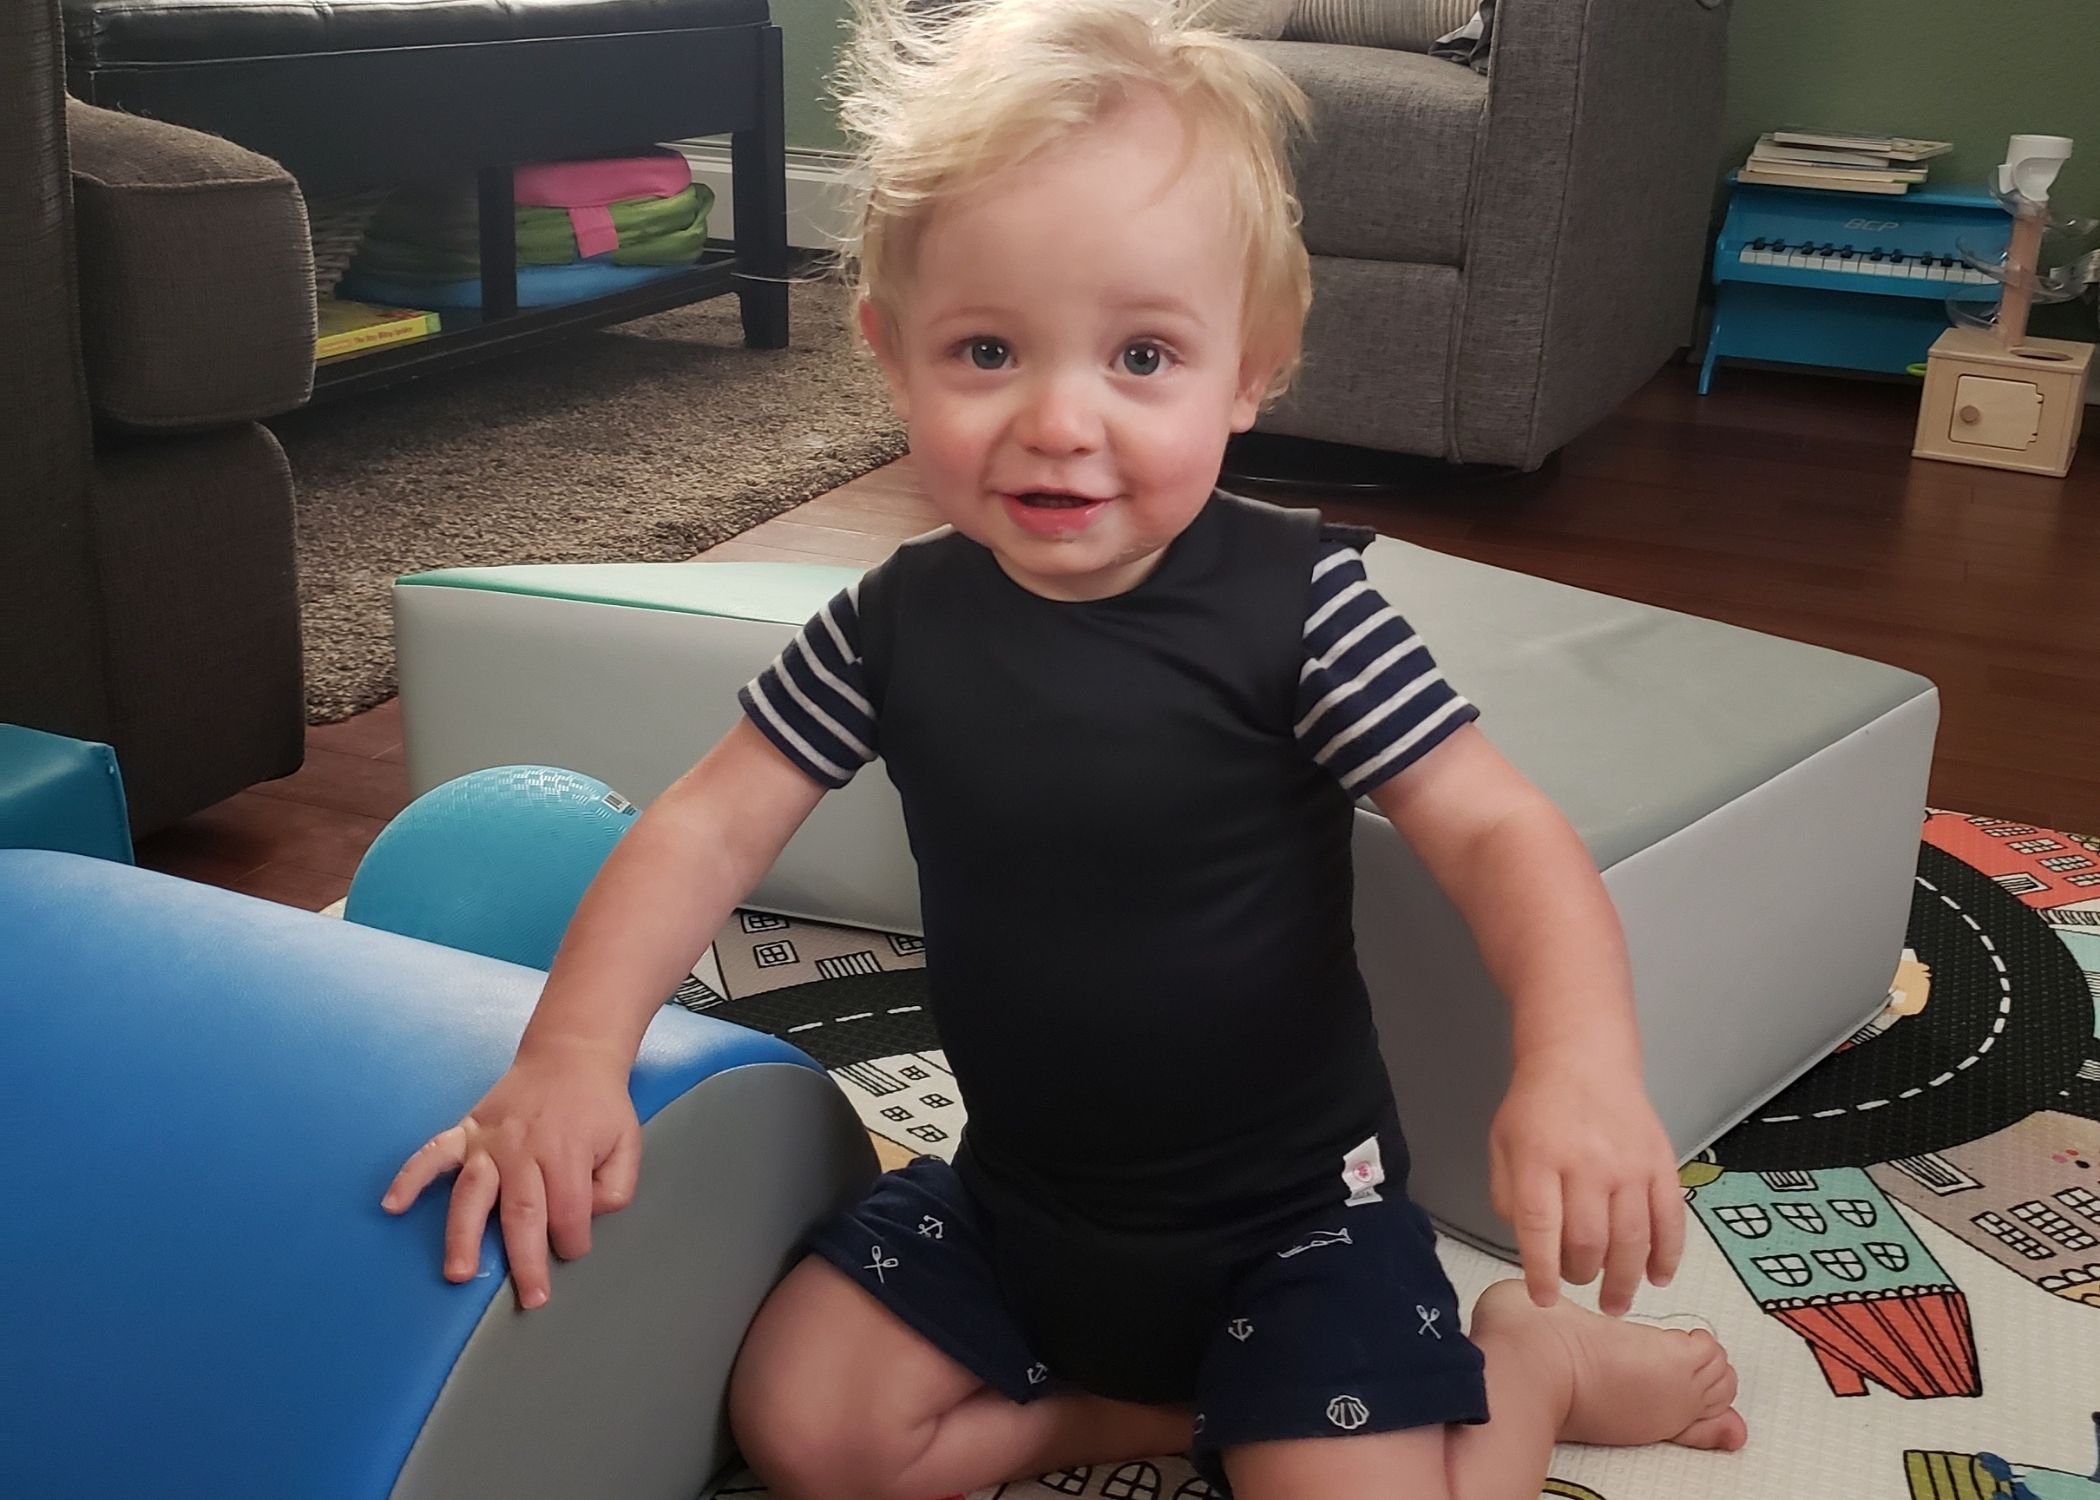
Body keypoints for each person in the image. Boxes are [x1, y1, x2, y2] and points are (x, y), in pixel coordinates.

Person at [382, 0, 1750, 1493]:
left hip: (1302, 1223)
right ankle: (1179, 1413)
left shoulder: (1304, 609)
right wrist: (573, 1056)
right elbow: (709, 826)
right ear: (893, 358)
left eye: (1143, 355)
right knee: (810, 1428)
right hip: (1030, 1201)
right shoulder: (892, 626)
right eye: (987, 350)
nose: (1059, 418)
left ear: (1253, 369)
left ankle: (1530, 1362)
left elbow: (1497, 830)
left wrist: (1580, 1063)